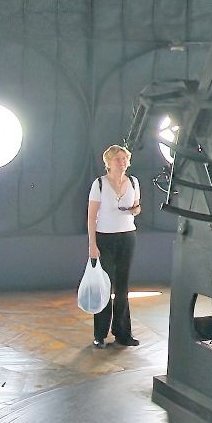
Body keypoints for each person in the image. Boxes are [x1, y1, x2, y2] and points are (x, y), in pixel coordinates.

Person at [87, 144, 141, 347]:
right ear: (108, 162)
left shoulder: (134, 182)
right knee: (104, 286)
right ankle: (100, 334)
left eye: (125, 158)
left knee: (123, 286)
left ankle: (123, 333)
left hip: (127, 237)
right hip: (104, 238)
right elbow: (91, 217)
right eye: (118, 159)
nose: (122, 162)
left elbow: (137, 208)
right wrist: (92, 245)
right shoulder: (99, 184)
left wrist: (134, 210)